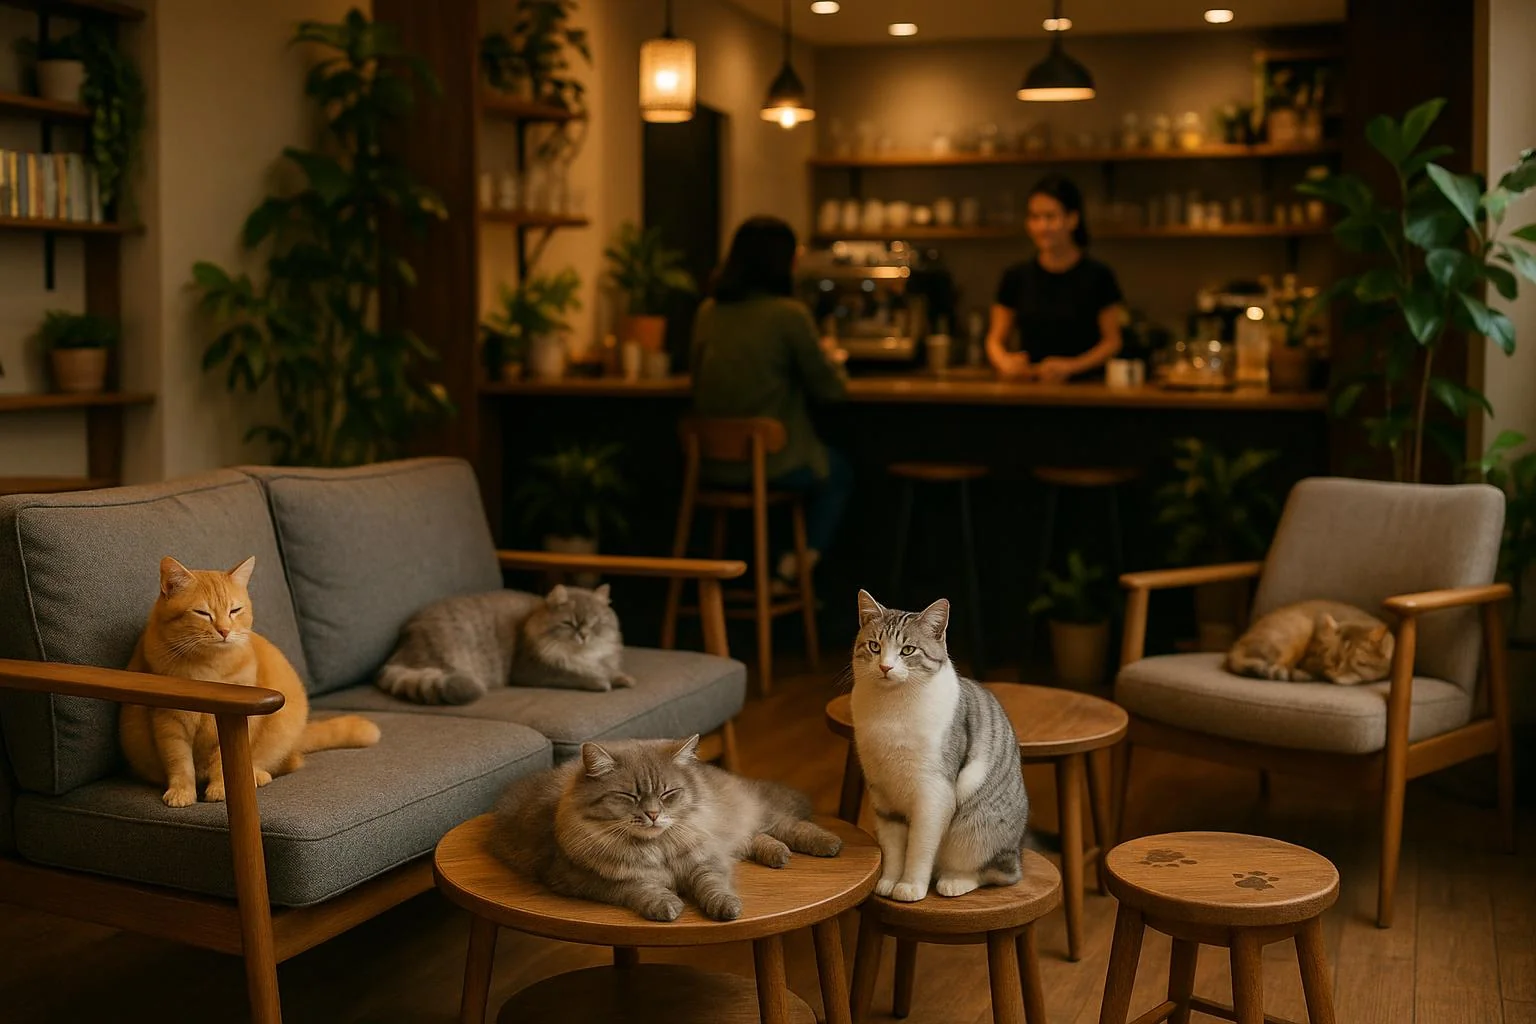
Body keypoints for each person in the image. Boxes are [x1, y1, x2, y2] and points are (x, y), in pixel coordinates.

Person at [690, 216, 851, 587]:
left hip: (709, 466)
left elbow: (696, 383)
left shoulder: (707, 312)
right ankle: (790, 573)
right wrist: (833, 359)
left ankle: (741, 582)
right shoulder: (788, 314)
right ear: (785, 263)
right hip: (774, 465)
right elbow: (830, 390)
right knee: (839, 474)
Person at [986, 174, 1126, 383]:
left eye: (1050, 217)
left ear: (1072, 219)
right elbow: (995, 340)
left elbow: (1112, 342)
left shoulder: (1099, 276)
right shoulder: (1015, 276)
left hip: (1087, 390)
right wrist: (1005, 362)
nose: (1042, 227)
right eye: (1035, 217)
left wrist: (1071, 367)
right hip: (1030, 389)